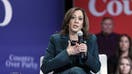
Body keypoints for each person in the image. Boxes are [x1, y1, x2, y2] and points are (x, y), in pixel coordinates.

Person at [41, 7, 101, 74]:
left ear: (83, 24)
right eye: (73, 18)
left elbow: (96, 68)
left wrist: (86, 54)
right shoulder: (56, 39)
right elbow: (45, 68)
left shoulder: (91, 39)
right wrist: (67, 53)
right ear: (68, 22)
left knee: (77, 71)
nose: (76, 21)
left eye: (80, 19)